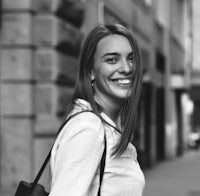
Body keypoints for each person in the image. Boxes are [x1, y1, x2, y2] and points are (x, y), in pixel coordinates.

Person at [49, 23, 145, 196]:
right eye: (112, 60)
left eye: (131, 58)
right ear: (91, 71)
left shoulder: (105, 126)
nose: (126, 68)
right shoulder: (89, 128)